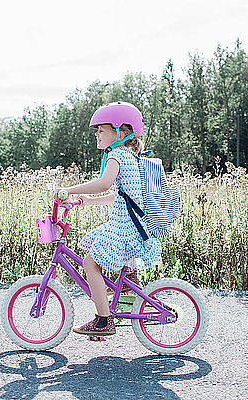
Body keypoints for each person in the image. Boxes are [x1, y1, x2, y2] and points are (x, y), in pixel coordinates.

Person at [55, 101, 162, 336]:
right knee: (95, 246)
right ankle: (126, 287)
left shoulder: (116, 156)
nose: (97, 133)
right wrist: (91, 201)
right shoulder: (131, 157)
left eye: (101, 129)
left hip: (124, 228)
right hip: (132, 226)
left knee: (89, 264)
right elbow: (122, 196)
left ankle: (104, 320)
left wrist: (69, 190)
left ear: (120, 132)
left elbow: (104, 183)